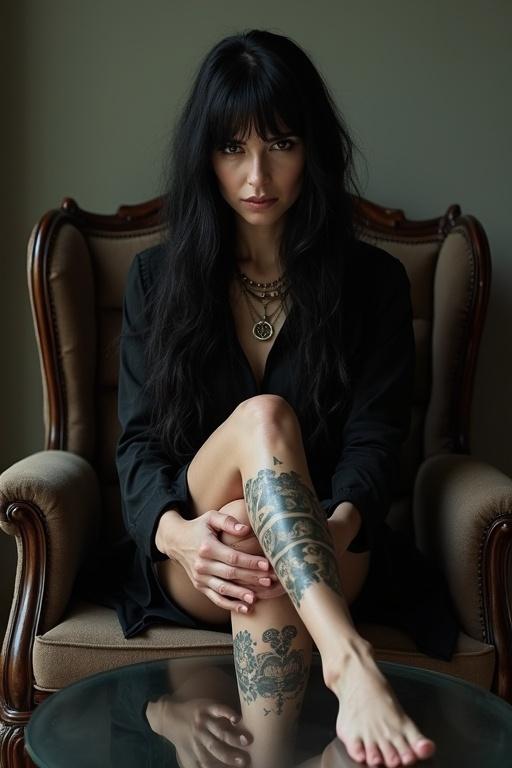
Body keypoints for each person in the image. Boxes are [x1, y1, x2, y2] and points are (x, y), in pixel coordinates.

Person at [111, 29, 460, 767]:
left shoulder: (373, 286)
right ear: (205, 157)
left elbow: (375, 444)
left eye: (280, 144)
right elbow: (136, 448)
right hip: (199, 554)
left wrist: (315, 528)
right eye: (233, 148)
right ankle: (348, 662)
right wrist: (178, 536)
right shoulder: (156, 280)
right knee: (262, 424)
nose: (256, 174)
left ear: (314, 153)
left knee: (263, 534)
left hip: (335, 540)